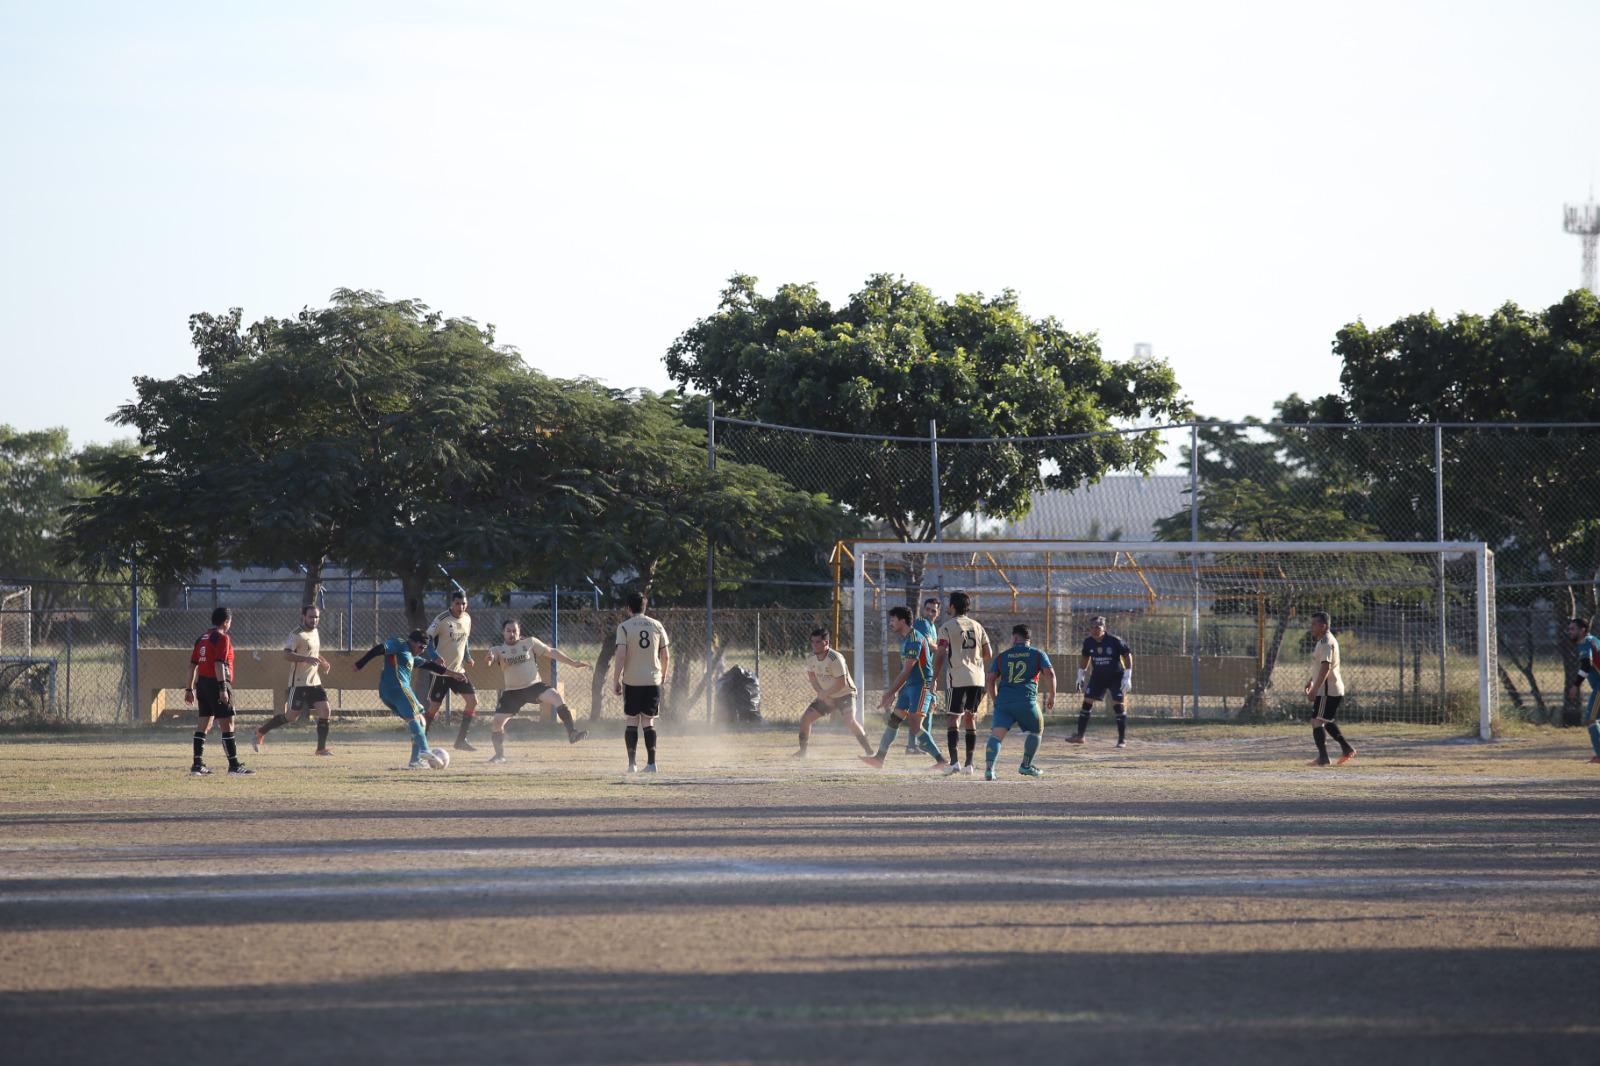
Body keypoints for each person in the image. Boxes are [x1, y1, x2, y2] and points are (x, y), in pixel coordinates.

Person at [483, 618, 592, 763]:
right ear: (503, 632)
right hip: (512, 692)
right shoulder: (497, 649)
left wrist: (573, 663)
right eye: (508, 631)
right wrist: (489, 659)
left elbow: (551, 652)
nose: (512, 634)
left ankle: (572, 732)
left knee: (555, 696)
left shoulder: (530, 642)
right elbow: (489, 659)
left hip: (534, 686)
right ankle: (499, 755)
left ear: (519, 631)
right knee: (497, 723)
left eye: (514, 631)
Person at [354, 629, 466, 768]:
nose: (422, 650)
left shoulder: (411, 657)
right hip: (398, 687)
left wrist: (453, 674)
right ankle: (424, 750)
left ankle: (415, 761)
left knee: (421, 721)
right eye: (421, 646)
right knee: (416, 717)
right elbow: (380, 648)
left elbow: (430, 665)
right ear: (412, 642)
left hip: (388, 693)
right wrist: (360, 663)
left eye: (424, 648)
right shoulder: (400, 644)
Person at [860, 606, 948, 770]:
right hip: (909, 686)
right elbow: (907, 672)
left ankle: (941, 761)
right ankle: (879, 758)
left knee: (915, 724)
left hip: (921, 686)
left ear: (902, 620)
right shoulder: (906, 639)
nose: (890, 623)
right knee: (894, 720)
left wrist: (890, 692)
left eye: (893, 620)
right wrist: (896, 691)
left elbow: (906, 670)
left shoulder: (914, 639)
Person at [254, 603, 334, 755]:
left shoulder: (315, 631)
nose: (314, 620)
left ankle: (320, 749)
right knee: (291, 717)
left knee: (325, 711)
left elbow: (314, 652)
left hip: (315, 682)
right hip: (298, 683)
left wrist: (323, 662)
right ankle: (261, 731)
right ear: (303, 616)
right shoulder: (296, 634)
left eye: (316, 617)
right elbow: (287, 654)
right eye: (311, 617)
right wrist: (306, 659)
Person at [184, 606, 251, 776]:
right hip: (217, 683)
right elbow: (219, 664)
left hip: (202, 684)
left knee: (203, 724)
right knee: (227, 724)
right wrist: (222, 688)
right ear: (226, 621)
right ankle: (234, 766)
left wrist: (189, 689)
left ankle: (197, 765)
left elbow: (192, 665)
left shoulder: (202, 638)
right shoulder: (222, 638)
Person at [983, 623, 1054, 779]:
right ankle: (1026, 766)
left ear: (1015, 638)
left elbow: (990, 679)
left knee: (996, 736)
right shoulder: (1038, 654)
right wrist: (1052, 695)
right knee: (1037, 730)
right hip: (1026, 702)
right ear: (1029, 639)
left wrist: (995, 700)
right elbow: (1050, 674)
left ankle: (989, 770)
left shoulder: (1002, 656)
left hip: (1004, 703)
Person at [933, 591, 991, 774]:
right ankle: (969, 764)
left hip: (957, 677)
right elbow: (988, 653)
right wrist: (973, 661)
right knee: (970, 717)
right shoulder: (977, 626)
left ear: (952, 606)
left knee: (953, 717)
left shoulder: (947, 627)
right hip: (977, 678)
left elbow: (940, 654)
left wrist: (933, 678)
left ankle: (954, 762)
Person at [613, 591, 669, 773]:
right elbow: (665, 655)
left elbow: (621, 655)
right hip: (653, 680)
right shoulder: (657, 625)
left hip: (632, 680)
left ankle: (632, 765)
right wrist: (663, 675)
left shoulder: (624, 627)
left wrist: (616, 679)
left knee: (632, 720)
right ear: (645, 607)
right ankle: (652, 764)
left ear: (628, 608)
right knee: (648, 721)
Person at [793, 627, 871, 757]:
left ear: (826, 643)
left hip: (845, 694)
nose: (814, 645)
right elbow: (812, 679)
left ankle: (869, 751)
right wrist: (822, 694)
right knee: (805, 719)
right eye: (812, 642)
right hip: (827, 695)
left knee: (849, 720)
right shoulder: (811, 658)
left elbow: (842, 683)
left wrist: (826, 694)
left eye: (818, 642)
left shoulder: (835, 658)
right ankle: (802, 752)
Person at [423, 589, 478, 750]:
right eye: (457, 603)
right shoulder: (442, 619)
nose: (461, 607)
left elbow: (465, 640)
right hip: (440, 672)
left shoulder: (467, 618)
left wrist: (467, 656)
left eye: (463, 603)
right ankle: (420, 738)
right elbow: (427, 638)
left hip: (458, 671)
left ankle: (461, 740)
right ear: (451, 603)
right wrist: (434, 656)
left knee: (473, 702)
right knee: (434, 707)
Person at [1067, 616, 1133, 748]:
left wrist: (1127, 676)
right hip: (1098, 677)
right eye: (1092, 627)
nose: (1095, 630)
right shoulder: (1088, 642)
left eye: (1097, 627)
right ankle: (1080, 736)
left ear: (1104, 628)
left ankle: (1121, 740)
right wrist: (1080, 675)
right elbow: (1085, 658)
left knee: (1118, 704)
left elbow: (1127, 655)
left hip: (1116, 677)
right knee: (1087, 701)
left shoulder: (1114, 641)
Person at [1305, 610, 1355, 767]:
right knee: (1325, 720)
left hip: (1327, 690)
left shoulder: (1326, 642)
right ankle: (1346, 748)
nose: (1312, 627)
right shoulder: (1323, 641)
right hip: (1329, 689)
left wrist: (1315, 689)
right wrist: (1311, 681)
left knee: (1316, 721)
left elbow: (1326, 668)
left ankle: (1323, 758)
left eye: (1315, 624)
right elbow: (1321, 666)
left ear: (1324, 626)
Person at [907, 596, 942, 754]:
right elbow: (929, 645)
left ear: (938, 612)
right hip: (919, 674)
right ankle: (915, 745)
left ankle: (918, 744)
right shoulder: (922, 622)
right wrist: (943, 649)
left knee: (926, 708)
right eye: (927, 609)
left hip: (926, 673)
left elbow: (932, 647)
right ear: (923, 610)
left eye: (933, 611)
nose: (930, 613)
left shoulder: (932, 627)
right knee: (920, 709)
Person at [1566, 617, 1600, 765]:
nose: (1570, 631)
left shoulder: (1586, 642)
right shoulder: (1591, 641)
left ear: (1582, 630)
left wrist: (1575, 685)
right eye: (1569, 629)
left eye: (1573, 629)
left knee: (1591, 719)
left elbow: (1586, 665)